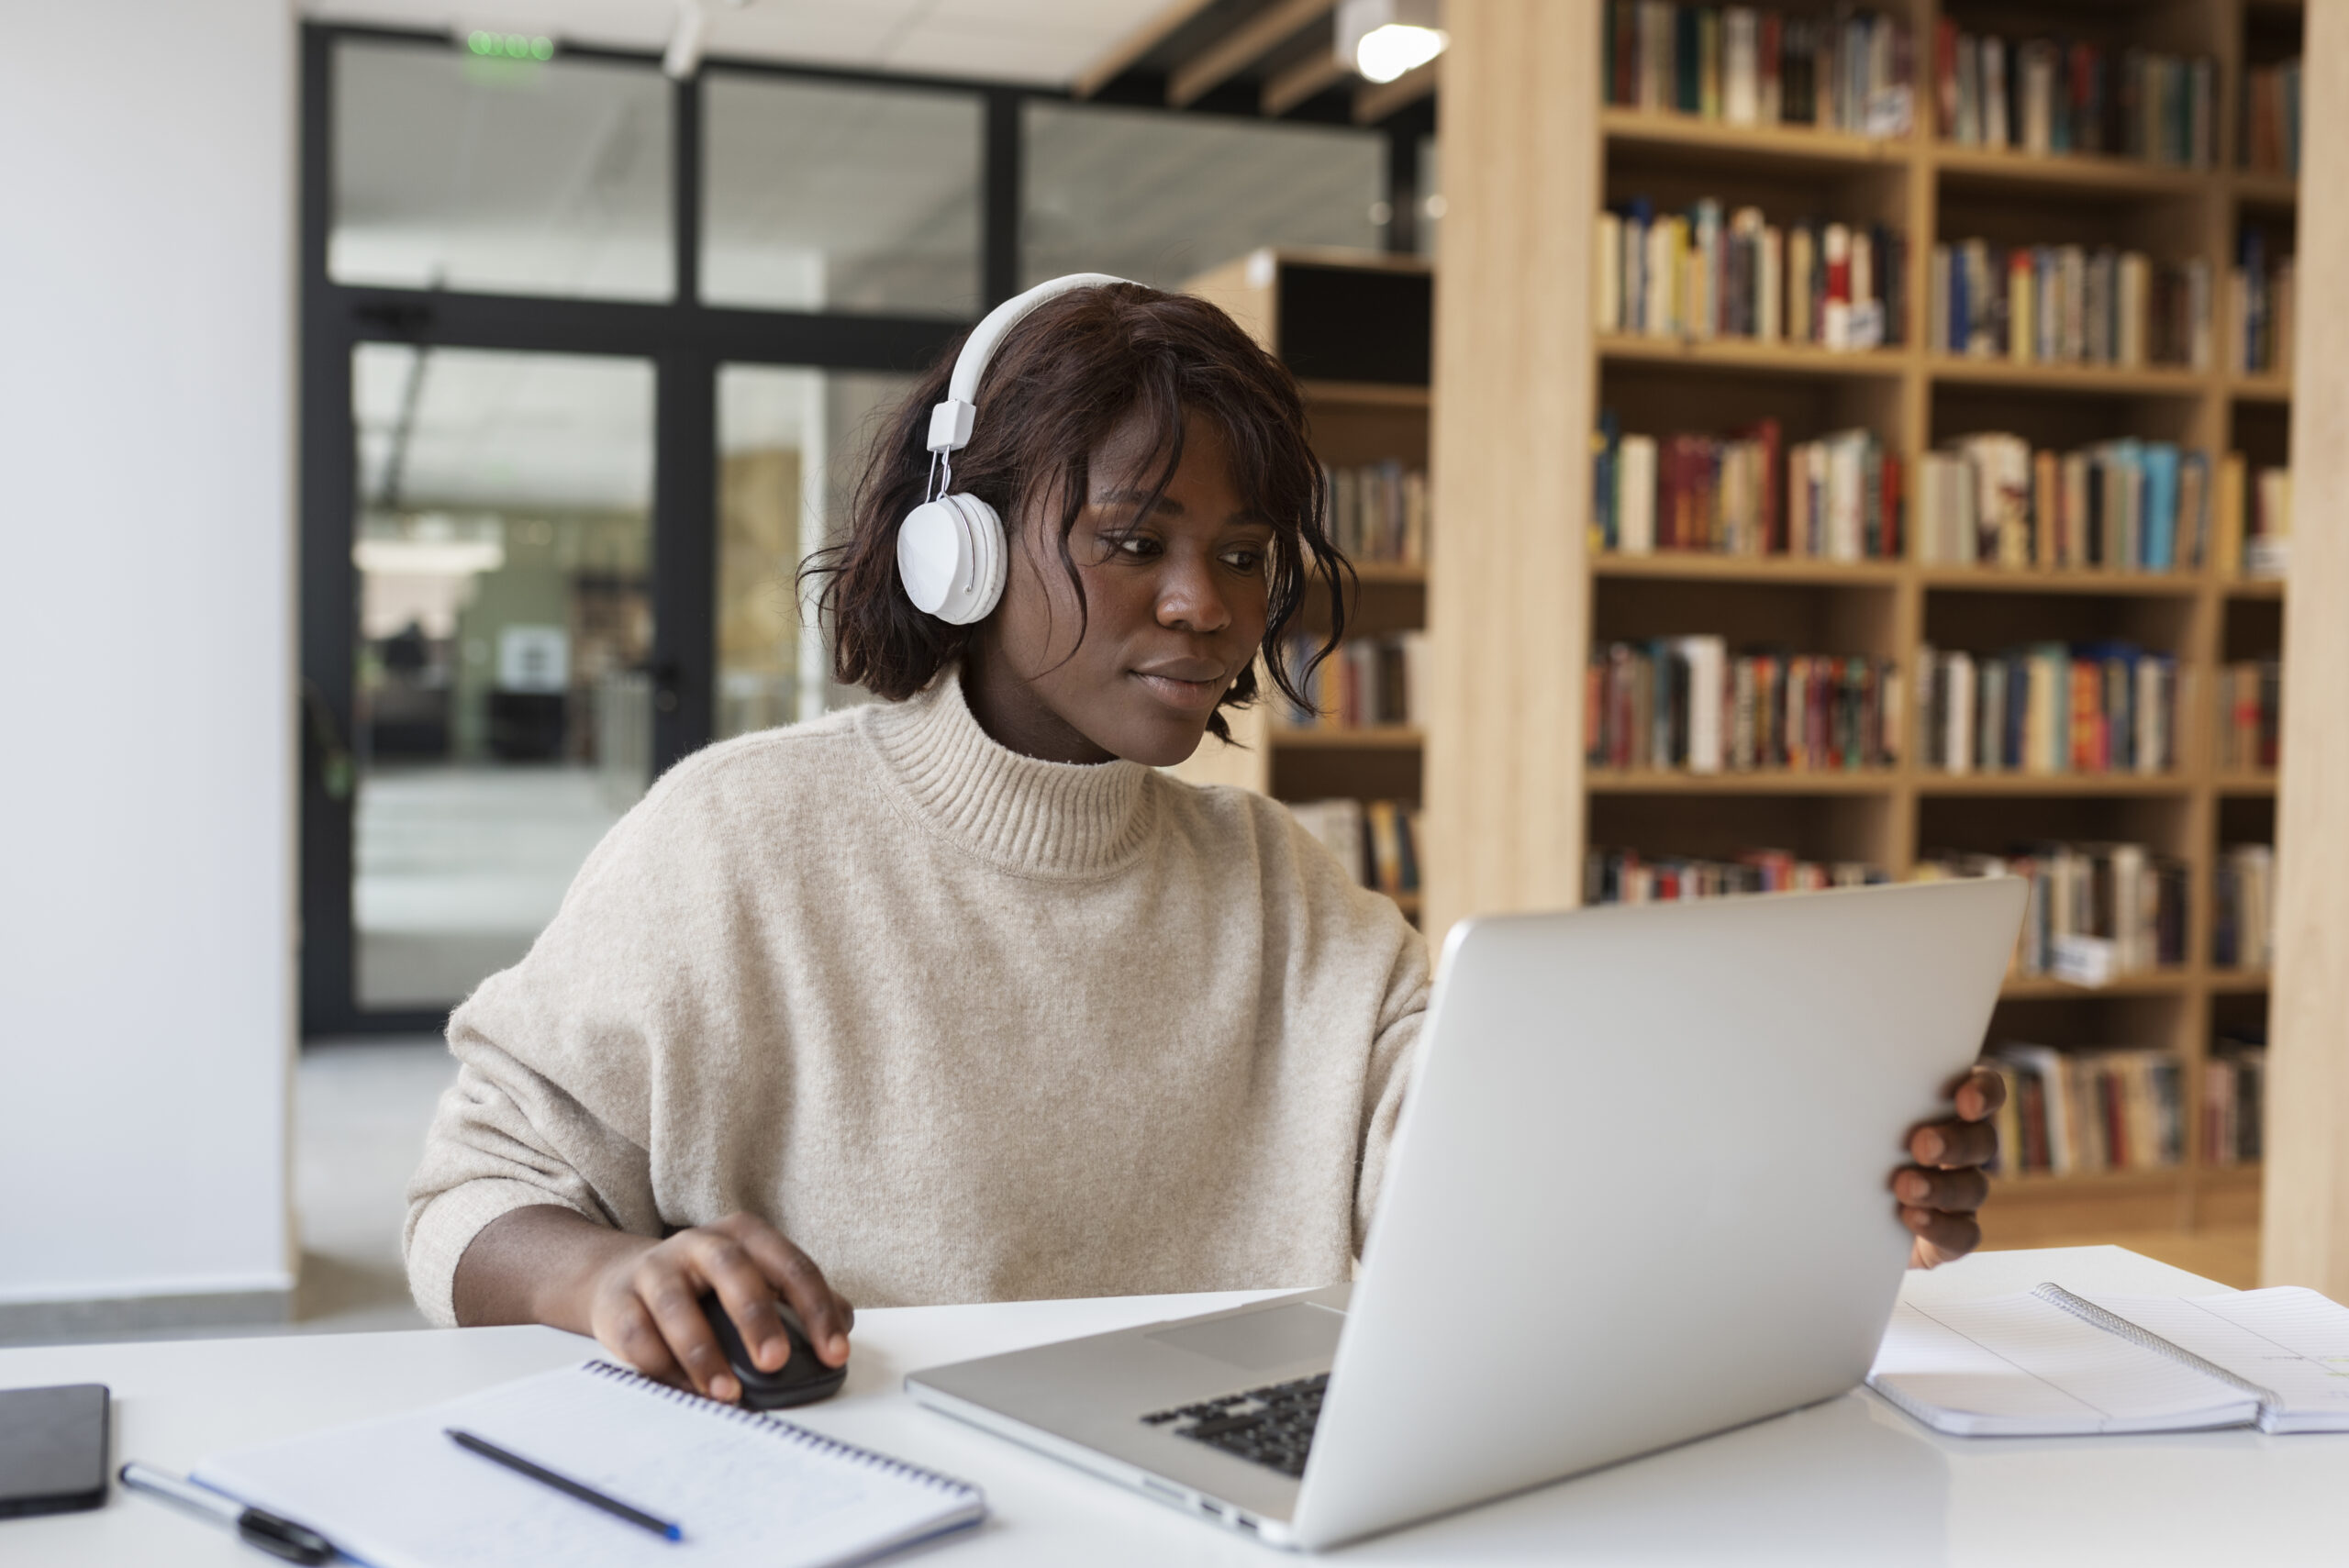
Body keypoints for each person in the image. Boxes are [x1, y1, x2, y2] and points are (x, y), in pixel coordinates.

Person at [405, 280, 2002, 1405]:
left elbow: (1476, 1176)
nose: (1211, 603)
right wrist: (595, 1279)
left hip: (1244, 1499)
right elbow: (475, 1190)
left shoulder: (1288, 884)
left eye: (1244, 553)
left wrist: (1823, 1178)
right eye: (1134, 540)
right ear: (956, 552)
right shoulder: (738, 839)